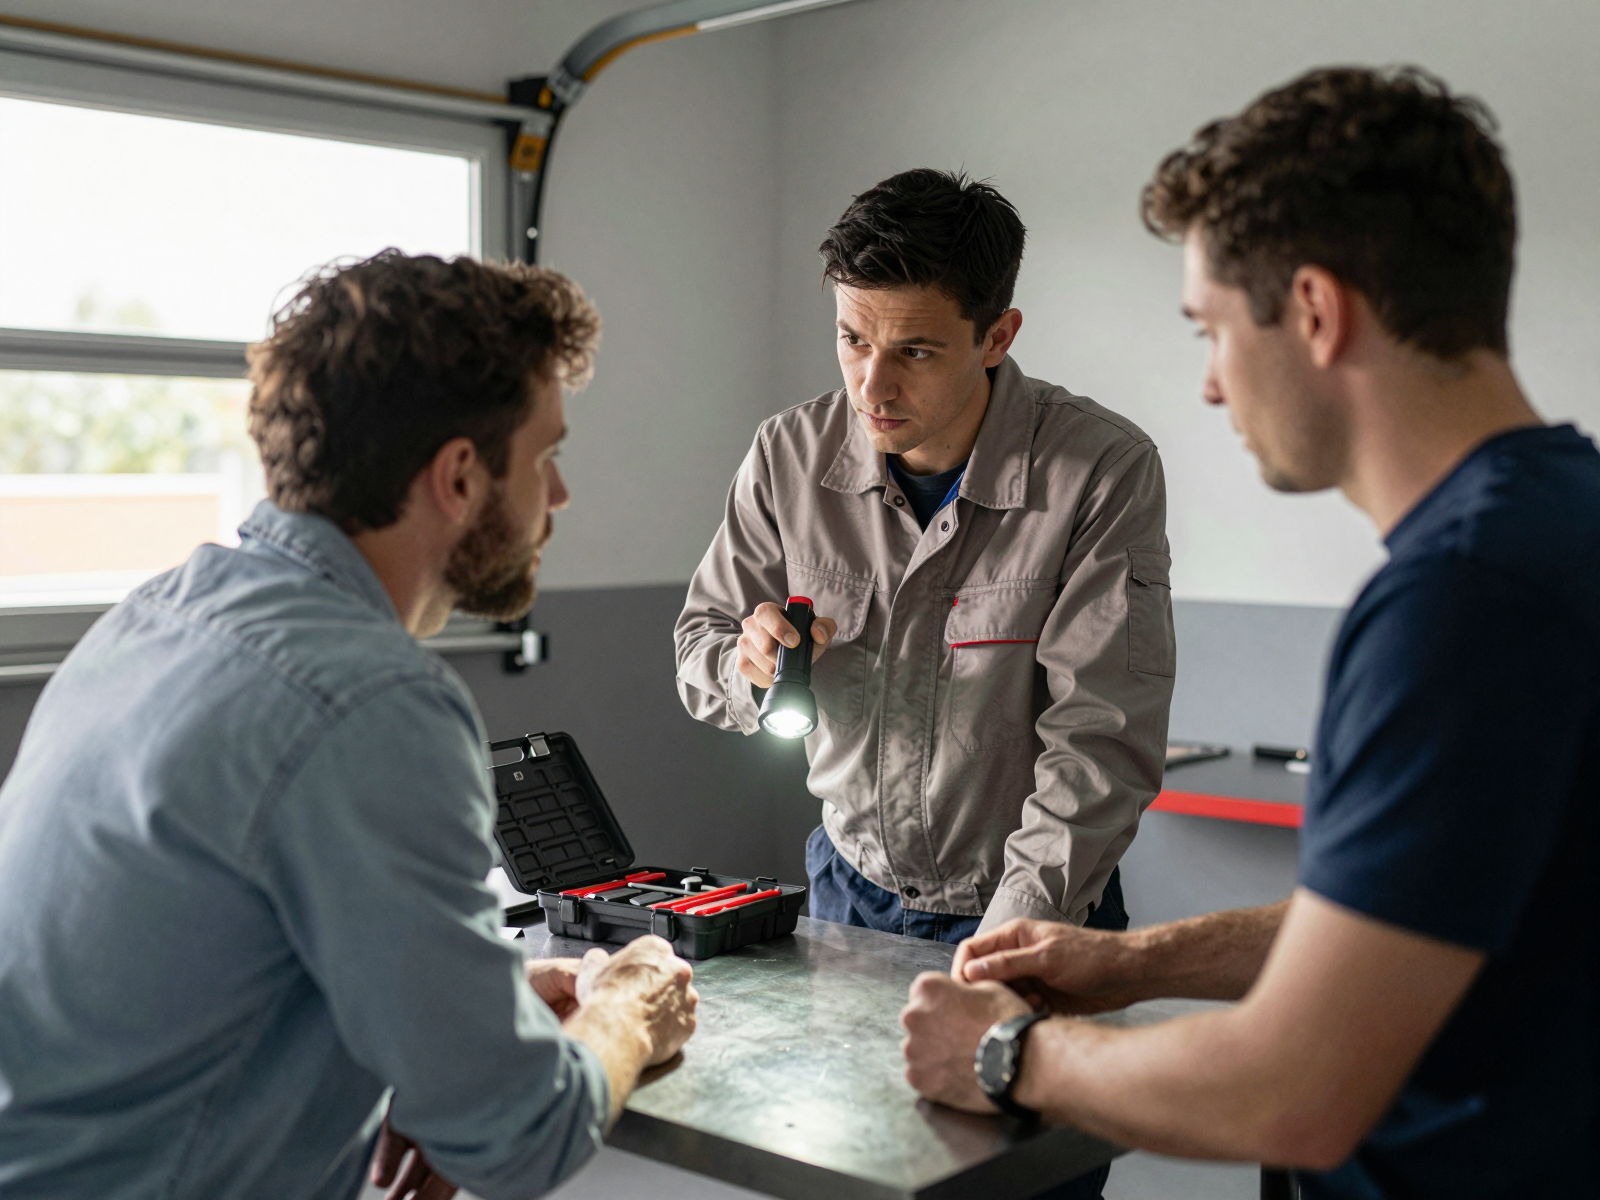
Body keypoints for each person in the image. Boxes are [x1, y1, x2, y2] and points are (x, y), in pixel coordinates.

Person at [900, 66, 1600, 1199]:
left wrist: (1006, 1054)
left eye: (1210, 331)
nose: (1214, 387)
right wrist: (1130, 962)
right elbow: (1402, 921)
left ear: (1316, 313)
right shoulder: (1560, 520)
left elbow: (1296, 1090)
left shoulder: (1460, 600)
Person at [0, 252, 698, 1200]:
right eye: (546, 457)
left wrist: (452, 1024)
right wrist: (628, 1009)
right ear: (459, 476)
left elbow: (204, 974)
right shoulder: (372, 703)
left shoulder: (154, 617)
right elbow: (519, 1137)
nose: (559, 497)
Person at [675, 169, 1175, 948]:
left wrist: (1004, 946)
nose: (872, 385)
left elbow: (1098, 745)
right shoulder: (785, 454)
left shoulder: (1102, 470)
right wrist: (751, 668)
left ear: (997, 337)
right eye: (852, 339)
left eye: (914, 350)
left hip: (1031, 906)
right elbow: (698, 652)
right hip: (844, 888)